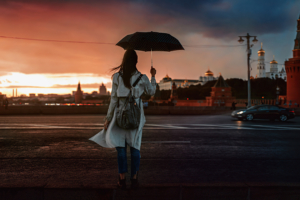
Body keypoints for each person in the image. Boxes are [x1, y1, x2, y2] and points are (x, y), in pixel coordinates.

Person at [89, 49, 156, 190]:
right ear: (136, 61)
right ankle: (135, 179)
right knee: (135, 148)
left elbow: (113, 99)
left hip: (119, 116)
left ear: (124, 60)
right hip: (136, 117)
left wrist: (108, 118)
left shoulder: (116, 77)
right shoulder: (142, 78)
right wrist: (153, 76)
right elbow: (151, 92)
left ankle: (122, 180)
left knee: (120, 148)